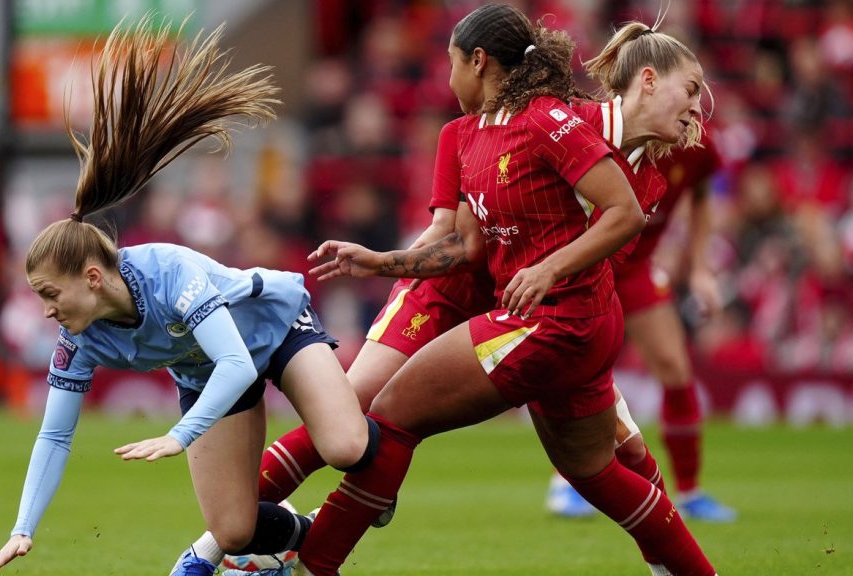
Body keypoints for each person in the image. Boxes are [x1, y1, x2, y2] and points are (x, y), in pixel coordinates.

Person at [231, 5, 717, 576]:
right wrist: (387, 262)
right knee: (355, 413)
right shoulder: (552, 122)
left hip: (537, 314)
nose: (698, 107)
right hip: (466, 297)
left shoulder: (641, 170)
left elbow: (601, 242)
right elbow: (462, 240)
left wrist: (574, 317)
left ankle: (304, 552)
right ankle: (231, 538)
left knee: (393, 423)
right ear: (650, 81)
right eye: (691, 89)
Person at [0, 17, 380, 576]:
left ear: (92, 278)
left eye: (50, 292)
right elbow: (55, 433)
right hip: (207, 378)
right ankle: (299, 534)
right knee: (235, 530)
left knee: (347, 447)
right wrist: (22, 531)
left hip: (274, 330)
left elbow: (238, 362)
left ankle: (382, 439)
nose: (46, 308)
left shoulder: (170, 271)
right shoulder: (80, 339)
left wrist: (178, 436)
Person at [548, 132, 739, 522]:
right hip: (592, 261)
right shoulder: (613, 131)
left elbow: (700, 196)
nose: (693, 107)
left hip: (637, 268)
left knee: (675, 368)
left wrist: (701, 267)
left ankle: (690, 491)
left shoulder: (700, 144)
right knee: (581, 372)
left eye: (696, 93)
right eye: (687, 91)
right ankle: (566, 483)